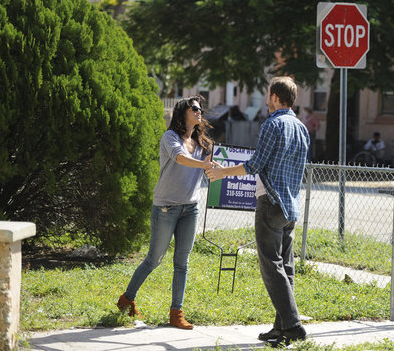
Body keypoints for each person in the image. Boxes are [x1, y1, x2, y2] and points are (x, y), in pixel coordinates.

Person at [206, 77, 309, 347]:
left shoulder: (272, 124)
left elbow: (254, 165)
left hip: (270, 201)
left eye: (268, 93)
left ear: (275, 96)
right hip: (291, 205)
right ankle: (282, 327)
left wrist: (220, 173)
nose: (266, 97)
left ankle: (293, 325)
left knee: (270, 265)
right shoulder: (301, 128)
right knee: (285, 267)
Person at [117, 96, 213, 330]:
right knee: (154, 259)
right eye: (195, 108)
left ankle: (176, 313)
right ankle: (126, 299)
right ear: (183, 112)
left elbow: (208, 167)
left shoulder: (201, 144)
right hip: (166, 207)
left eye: (200, 109)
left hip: (190, 208)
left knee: (182, 262)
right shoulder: (170, 138)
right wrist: (204, 165)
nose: (199, 112)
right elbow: (181, 159)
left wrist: (216, 167)